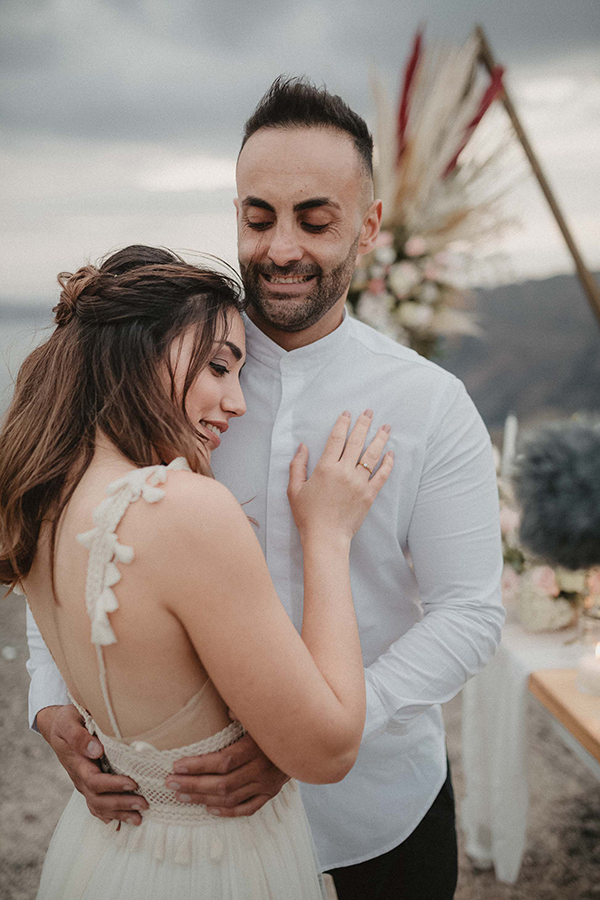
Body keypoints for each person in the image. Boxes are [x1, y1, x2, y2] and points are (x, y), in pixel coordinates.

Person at [26, 78, 505, 900]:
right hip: (184, 830)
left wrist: (317, 725)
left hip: (379, 815)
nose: (280, 247)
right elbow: (77, 522)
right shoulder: (171, 375)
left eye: (315, 220)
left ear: (369, 226)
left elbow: (471, 612)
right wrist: (48, 703)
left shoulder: (431, 404)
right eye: (257, 217)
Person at [1, 244, 395, 899]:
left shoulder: (41, 498)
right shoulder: (184, 508)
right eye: (218, 365)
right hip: (217, 865)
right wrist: (327, 536)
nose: (236, 402)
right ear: (137, 349)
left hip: (106, 853)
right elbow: (327, 751)